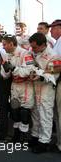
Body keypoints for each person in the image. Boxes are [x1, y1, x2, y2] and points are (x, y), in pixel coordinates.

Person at [0, 34, 34, 143]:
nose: (3, 47)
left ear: (11, 43)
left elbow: (29, 70)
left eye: (4, 44)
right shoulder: (6, 56)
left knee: (24, 112)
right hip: (14, 85)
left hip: (26, 86)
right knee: (14, 111)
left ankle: (24, 137)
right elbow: (5, 76)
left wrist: (14, 68)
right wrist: (6, 70)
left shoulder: (25, 53)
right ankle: (16, 135)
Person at [29, 33, 59, 153]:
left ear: (43, 45)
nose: (33, 49)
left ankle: (44, 141)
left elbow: (55, 71)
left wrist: (41, 75)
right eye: (32, 47)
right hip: (35, 86)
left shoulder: (53, 55)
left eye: (35, 47)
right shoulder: (33, 53)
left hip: (46, 87)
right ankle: (35, 136)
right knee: (35, 112)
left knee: (45, 114)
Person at [49, 19, 61, 152]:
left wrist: (47, 71)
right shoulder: (58, 42)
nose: (51, 30)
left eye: (53, 27)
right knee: (57, 114)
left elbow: (59, 65)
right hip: (57, 81)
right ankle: (59, 142)